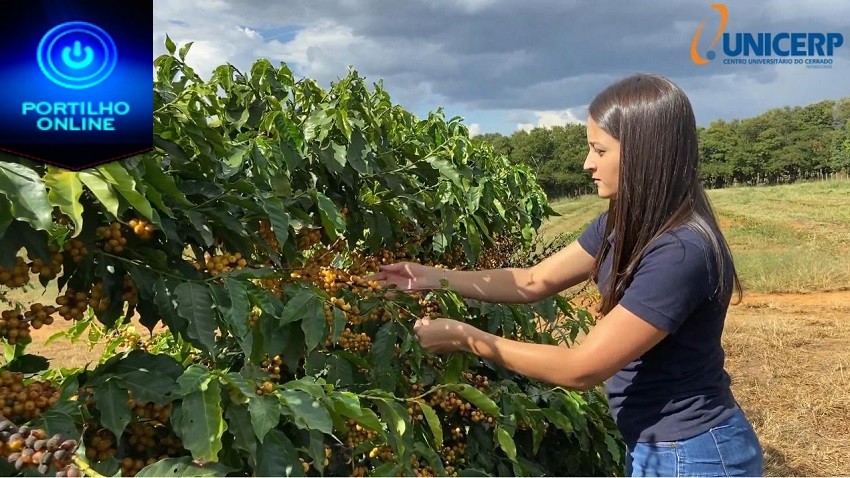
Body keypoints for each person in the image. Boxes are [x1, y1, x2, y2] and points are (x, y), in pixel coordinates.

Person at [370, 73, 764, 477]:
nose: (587, 163)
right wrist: (430, 276)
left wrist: (465, 338)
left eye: (599, 150)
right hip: (658, 445)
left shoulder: (680, 251)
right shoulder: (623, 221)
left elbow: (582, 368)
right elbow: (533, 281)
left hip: (692, 455)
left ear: (645, 154)